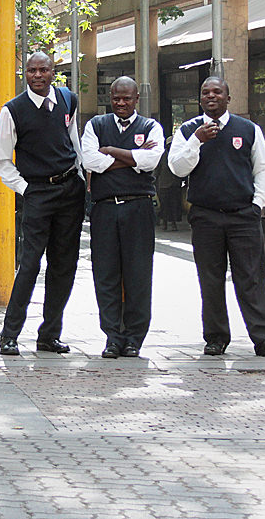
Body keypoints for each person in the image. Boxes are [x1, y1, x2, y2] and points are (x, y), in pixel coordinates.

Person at [168, 76, 265, 359]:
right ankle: (216, 338)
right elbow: (177, 168)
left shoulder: (248, 129)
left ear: (228, 98)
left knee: (252, 278)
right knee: (210, 280)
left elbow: (263, 169)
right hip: (206, 216)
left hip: (243, 217)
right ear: (200, 99)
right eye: (205, 92)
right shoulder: (188, 130)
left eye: (217, 92)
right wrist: (197, 141)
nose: (211, 96)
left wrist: (257, 205)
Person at [0, 52, 85, 357]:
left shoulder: (68, 100)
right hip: (37, 193)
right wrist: (27, 190)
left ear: (52, 72)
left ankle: (49, 335)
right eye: (32, 70)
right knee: (30, 264)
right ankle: (9, 335)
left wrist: (80, 177)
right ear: (26, 73)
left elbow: (74, 141)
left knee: (64, 265)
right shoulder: (13, 110)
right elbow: (2, 162)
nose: (37, 75)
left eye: (43, 70)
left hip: (70, 192)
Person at [81, 77, 164, 358]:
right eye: (116, 98)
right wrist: (133, 159)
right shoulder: (96, 125)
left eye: (127, 98)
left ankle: (134, 339)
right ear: (110, 97)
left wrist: (111, 152)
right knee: (106, 274)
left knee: (138, 274)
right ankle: (113, 337)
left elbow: (151, 161)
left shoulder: (151, 127)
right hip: (104, 209)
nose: (121, 103)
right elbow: (90, 161)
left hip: (138, 208)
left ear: (137, 98)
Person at [155, 136, 184, 231]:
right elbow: (157, 170)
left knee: (174, 204)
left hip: (175, 184)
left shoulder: (177, 154)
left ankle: (173, 223)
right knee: (164, 205)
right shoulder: (162, 156)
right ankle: (165, 223)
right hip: (164, 184)